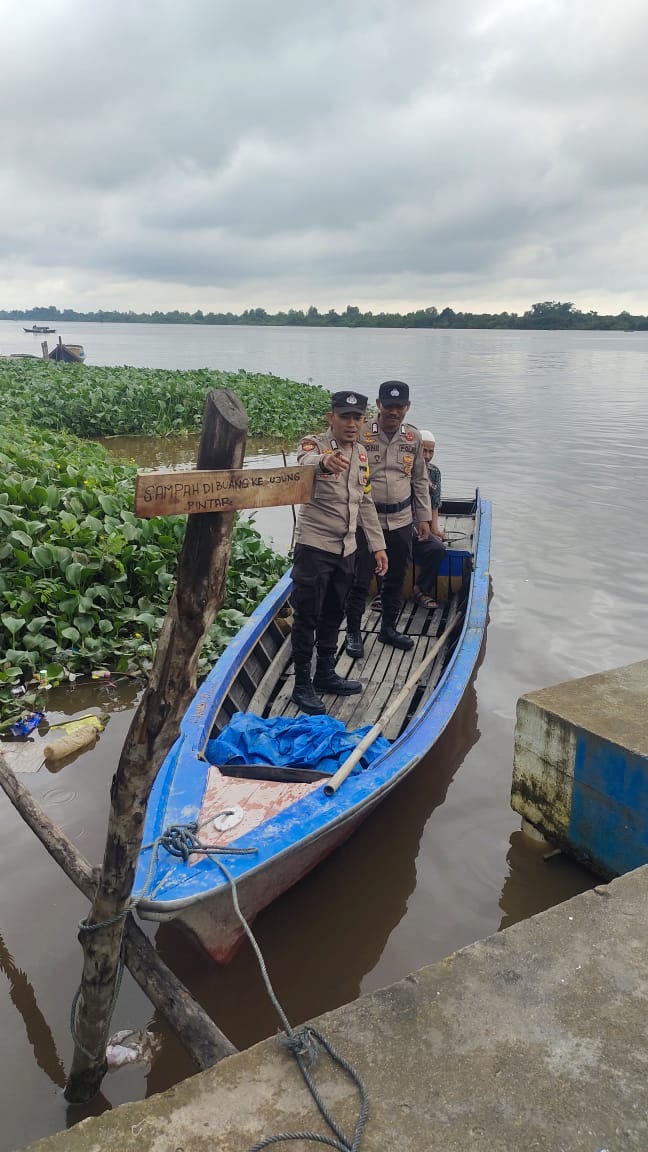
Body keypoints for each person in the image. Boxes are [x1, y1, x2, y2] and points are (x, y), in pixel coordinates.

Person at [291, 391, 388, 714]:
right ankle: (301, 685)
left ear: (364, 420)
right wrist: (324, 462)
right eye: (344, 416)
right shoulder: (314, 445)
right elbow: (304, 462)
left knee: (334, 612)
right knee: (307, 616)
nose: (351, 423)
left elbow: (366, 502)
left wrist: (378, 546)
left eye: (357, 417)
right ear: (330, 417)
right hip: (314, 547)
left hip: (347, 548)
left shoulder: (361, 454)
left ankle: (325, 673)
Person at [344, 380, 432, 659]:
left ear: (407, 407)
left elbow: (419, 479)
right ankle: (353, 633)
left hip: (401, 520)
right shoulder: (361, 433)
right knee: (359, 578)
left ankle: (388, 629)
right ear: (379, 405)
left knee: (395, 577)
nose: (394, 411)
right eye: (389, 406)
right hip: (366, 521)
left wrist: (424, 517)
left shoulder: (413, 437)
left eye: (399, 406)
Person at [411, 430, 446, 609]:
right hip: (399, 522)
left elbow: (434, 504)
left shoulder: (434, 472)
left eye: (431, 452)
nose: (427, 456)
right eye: (424, 451)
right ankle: (381, 593)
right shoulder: (403, 469)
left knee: (437, 548)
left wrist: (435, 529)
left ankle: (421, 589)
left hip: (420, 525)